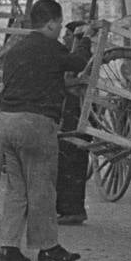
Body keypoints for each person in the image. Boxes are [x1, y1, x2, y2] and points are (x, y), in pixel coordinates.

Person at [0, 0, 87, 261]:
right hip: (35, 124)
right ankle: (48, 247)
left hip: (8, 123)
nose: (59, 29)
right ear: (51, 23)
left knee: (16, 189)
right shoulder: (50, 47)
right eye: (59, 24)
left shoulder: (16, 49)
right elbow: (78, 62)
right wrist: (86, 40)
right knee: (42, 187)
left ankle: (8, 247)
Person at [55, 20, 92, 226]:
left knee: (71, 161)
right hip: (72, 112)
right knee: (68, 160)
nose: (64, 38)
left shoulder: (83, 58)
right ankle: (67, 208)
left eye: (68, 35)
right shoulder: (74, 57)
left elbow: (77, 83)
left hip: (77, 114)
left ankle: (73, 210)